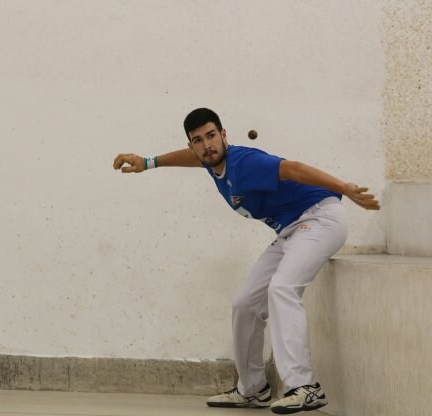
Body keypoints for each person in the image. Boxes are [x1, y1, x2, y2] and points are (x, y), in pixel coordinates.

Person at [113, 108, 380, 414]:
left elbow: (292, 168)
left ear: (224, 135)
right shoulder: (210, 161)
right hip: (290, 230)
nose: (206, 145)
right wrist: (148, 163)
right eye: (198, 140)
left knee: (281, 288)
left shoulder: (243, 162)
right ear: (192, 146)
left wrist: (343, 186)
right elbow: (195, 159)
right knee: (245, 304)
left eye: (212, 136)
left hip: (320, 217)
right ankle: (253, 389)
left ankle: (305, 386)